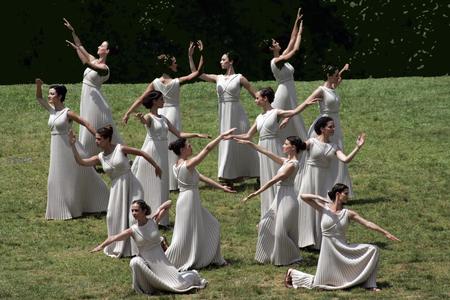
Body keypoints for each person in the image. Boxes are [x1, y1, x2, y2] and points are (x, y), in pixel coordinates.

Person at [285, 183, 400, 291]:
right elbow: (303, 196)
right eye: (346, 193)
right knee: (319, 284)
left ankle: (370, 284)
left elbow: (367, 223)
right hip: (328, 250)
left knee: (373, 249)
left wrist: (385, 232)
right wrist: (318, 197)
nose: (348, 196)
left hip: (342, 248)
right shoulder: (324, 208)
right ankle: (293, 273)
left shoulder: (348, 213)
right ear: (338, 194)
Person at [69, 125, 162, 258]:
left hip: (131, 185)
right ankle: (117, 246)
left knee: (132, 218)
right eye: (96, 139)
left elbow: (141, 153)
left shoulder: (120, 148)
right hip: (116, 188)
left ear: (107, 139)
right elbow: (82, 162)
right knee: (112, 216)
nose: (96, 142)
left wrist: (156, 166)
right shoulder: (100, 157)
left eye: (99, 139)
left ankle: (141, 248)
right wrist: (73, 146)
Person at [226, 87, 318, 218]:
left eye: (257, 98)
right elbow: (248, 135)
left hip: (273, 146)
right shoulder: (259, 117)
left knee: (277, 177)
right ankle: (268, 214)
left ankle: (280, 210)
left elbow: (294, 112)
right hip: (261, 148)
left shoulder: (276, 113)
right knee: (265, 178)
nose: (255, 100)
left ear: (265, 99)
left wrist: (306, 104)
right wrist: (232, 137)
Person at [122, 43, 204, 191]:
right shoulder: (176, 82)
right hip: (172, 114)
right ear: (169, 67)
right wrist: (194, 56)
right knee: (175, 143)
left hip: (160, 114)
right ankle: (173, 179)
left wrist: (128, 112)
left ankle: (161, 177)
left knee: (159, 144)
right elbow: (197, 73)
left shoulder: (155, 82)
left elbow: (141, 99)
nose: (176, 64)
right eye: (174, 63)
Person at [91, 199, 208, 295]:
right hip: (149, 264)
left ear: (144, 210)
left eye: (136, 210)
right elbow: (113, 238)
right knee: (134, 261)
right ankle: (147, 288)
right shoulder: (132, 230)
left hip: (163, 263)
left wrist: (158, 210)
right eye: (132, 211)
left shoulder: (153, 221)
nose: (133, 213)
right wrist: (100, 246)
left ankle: (190, 276)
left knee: (180, 285)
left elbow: (169, 203)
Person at [131, 90, 210, 227]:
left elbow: (179, 133)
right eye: (161, 99)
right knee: (151, 182)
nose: (164, 101)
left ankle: (160, 219)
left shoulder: (163, 118)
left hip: (162, 153)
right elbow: (146, 121)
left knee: (161, 184)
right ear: (154, 101)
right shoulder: (150, 117)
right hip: (152, 151)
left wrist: (197, 134)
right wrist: (141, 119)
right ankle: (145, 217)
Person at [35, 78, 109, 220]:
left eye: (52, 94)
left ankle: (101, 200)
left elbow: (86, 123)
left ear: (60, 96)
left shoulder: (67, 113)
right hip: (57, 149)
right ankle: (62, 209)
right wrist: (38, 86)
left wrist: (99, 137)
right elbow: (39, 97)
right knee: (56, 178)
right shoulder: (52, 111)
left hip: (69, 148)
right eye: (49, 94)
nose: (49, 96)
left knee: (80, 175)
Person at [188, 41, 259, 187]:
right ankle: (228, 177)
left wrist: (270, 108)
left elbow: (256, 95)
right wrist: (192, 56)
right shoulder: (218, 78)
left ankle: (257, 172)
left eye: (223, 59)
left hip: (237, 115)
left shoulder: (240, 78)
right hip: (224, 115)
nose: (221, 62)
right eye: (221, 60)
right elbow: (197, 74)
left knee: (241, 144)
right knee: (226, 142)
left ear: (231, 62)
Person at [165, 129, 236, 270]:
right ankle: (171, 259)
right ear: (182, 149)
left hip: (188, 199)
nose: (191, 147)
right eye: (188, 145)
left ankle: (212, 257)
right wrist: (220, 136)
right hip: (188, 201)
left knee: (212, 224)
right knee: (184, 233)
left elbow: (203, 178)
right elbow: (207, 149)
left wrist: (222, 188)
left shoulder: (177, 165)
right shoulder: (187, 164)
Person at [296, 116, 366, 249]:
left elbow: (345, 160)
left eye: (334, 126)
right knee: (306, 206)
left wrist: (357, 147)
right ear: (322, 129)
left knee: (324, 207)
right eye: (330, 127)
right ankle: (304, 240)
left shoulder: (334, 146)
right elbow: (298, 148)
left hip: (325, 179)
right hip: (310, 177)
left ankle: (320, 241)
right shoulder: (311, 142)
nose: (333, 129)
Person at [239, 136, 306, 266]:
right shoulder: (286, 161)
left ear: (293, 147)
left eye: (286, 144)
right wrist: (250, 144)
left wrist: (257, 192)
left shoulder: (293, 164)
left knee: (280, 231)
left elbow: (275, 179)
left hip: (288, 198)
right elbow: (267, 152)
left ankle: (292, 258)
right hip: (280, 197)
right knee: (265, 223)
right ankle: (267, 256)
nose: (283, 146)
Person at [63, 18, 123, 156]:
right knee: (86, 123)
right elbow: (80, 44)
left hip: (96, 101)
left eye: (101, 46)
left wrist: (78, 51)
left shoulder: (104, 69)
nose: (98, 47)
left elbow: (88, 64)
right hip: (88, 98)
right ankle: (89, 155)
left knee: (95, 124)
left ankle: (114, 153)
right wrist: (72, 31)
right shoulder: (93, 59)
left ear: (106, 51)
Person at [305, 63, 353, 195]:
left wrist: (343, 70)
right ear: (328, 76)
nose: (338, 77)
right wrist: (289, 116)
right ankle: (318, 187)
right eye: (336, 75)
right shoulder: (320, 90)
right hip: (324, 124)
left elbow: (338, 81)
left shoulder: (332, 87)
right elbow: (306, 103)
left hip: (334, 124)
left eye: (338, 75)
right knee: (322, 153)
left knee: (336, 153)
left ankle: (334, 188)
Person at [261, 8, 307, 141]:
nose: (278, 43)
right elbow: (296, 49)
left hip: (289, 89)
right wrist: (300, 34)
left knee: (292, 120)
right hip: (284, 92)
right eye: (275, 43)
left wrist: (296, 22)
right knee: (275, 119)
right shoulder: (277, 61)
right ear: (271, 48)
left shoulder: (280, 57)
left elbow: (291, 40)